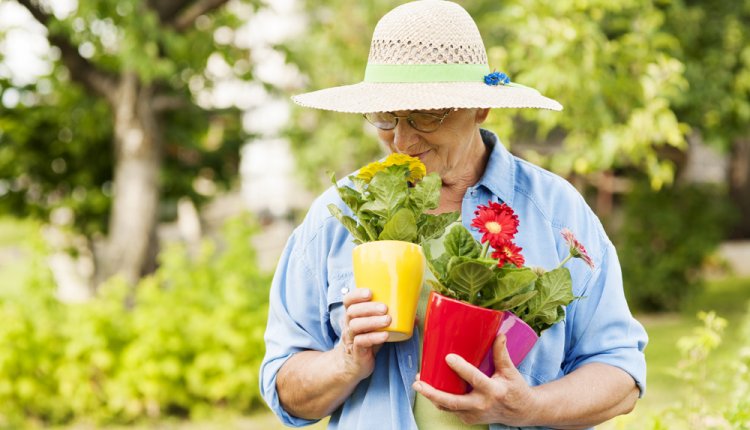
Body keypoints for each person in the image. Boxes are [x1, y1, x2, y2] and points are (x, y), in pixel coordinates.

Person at [259, 1, 648, 429]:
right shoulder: (338, 217)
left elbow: (620, 373)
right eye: (387, 117)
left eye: (426, 114)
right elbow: (284, 387)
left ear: (480, 107)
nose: (401, 140)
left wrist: (527, 406)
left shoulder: (556, 212)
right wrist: (344, 362)